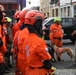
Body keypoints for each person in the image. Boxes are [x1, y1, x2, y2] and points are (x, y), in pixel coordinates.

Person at [22, 10, 56, 75]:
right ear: (37, 24)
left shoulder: (26, 39)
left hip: (29, 70)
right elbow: (47, 61)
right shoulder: (39, 41)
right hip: (39, 71)